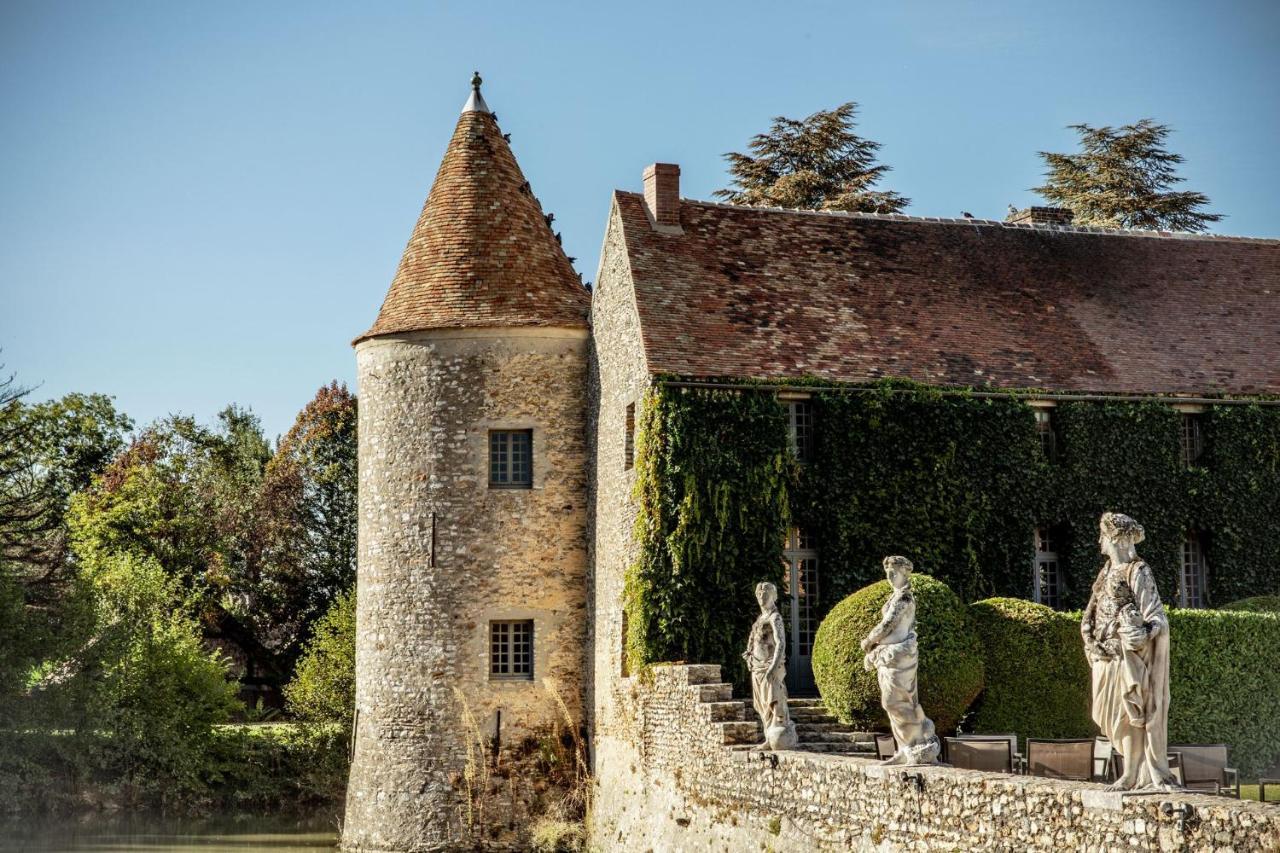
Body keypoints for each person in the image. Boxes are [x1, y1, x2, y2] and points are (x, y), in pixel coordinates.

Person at [1080, 512, 1179, 792]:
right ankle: (1129, 771)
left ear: (1115, 538)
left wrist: (1144, 632)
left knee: (1128, 713)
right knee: (1111, 715)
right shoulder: (1106, 572)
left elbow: (1156, 616)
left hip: (1126, 658)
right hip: (1104, 657)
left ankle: (1131, 773)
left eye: (1102, 535)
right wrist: (1089, 637)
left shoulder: (1138, 571)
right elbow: (1092, 610)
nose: (1100, 542)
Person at [860, 556, 939, 765]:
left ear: (905, 573)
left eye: (893, 573)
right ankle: (905, 747)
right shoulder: (895, 597)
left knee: (896, 701)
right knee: (892, 703)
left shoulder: (904, 598)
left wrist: (869, 640)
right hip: (889, 656)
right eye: (887, 573)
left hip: (900, 657)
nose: (889, 577)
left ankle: (918, 736)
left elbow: (888, 625)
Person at [743, 581, 797, 751]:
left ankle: (778, 736)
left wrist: (773, 667)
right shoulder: (761, 618)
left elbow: (781, 643)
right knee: (761, 705)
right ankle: (768, 738)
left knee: (773, 702)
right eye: (759, 594)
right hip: (757, 667)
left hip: (769, 667)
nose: (761, 597)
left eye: (765, 593)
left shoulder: (775, 617)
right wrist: (749, 654)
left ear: (773, 596)